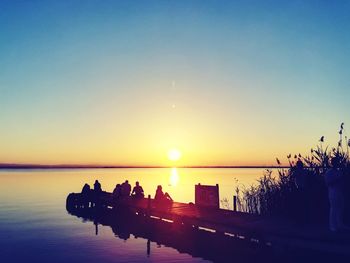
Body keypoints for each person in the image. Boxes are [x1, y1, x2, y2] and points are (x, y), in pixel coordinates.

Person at [325, 157, 345, 232]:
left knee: (340, 207)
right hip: (333, 192)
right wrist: (338, 179)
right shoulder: (329, 172)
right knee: (334, 208)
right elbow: (327, 183)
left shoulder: (338, 171)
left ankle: (340, 224)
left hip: (340, 191)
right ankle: (332, 226)